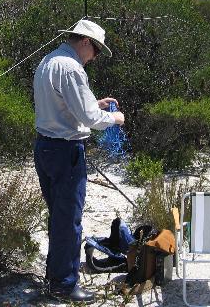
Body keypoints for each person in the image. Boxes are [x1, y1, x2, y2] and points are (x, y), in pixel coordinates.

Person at [33, 19, 125, 304]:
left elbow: (64, 106)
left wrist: (92, 105)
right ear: (85, 42)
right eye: (96, 51)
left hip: (45, 147)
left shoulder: (48, 61)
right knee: (69, 220)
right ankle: (64, 284)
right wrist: (113, 118)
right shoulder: (72, 68)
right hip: (66, 152)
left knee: (58, 216)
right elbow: (89, 119)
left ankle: (56, 276)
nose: (94, 58)